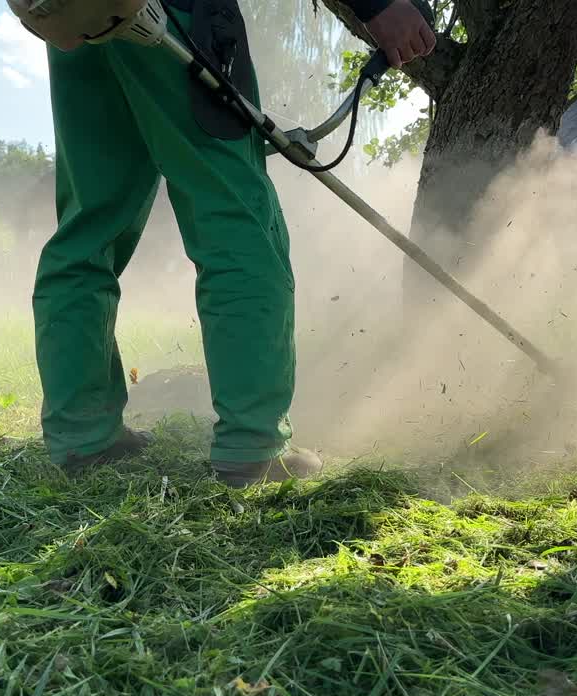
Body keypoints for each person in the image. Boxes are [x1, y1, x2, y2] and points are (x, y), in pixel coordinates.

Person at [23, 0, 435, 485]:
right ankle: (254, 447)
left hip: (72, 17)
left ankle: (83, 438)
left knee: (88, 225)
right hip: (168, 11)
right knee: (235, 217)